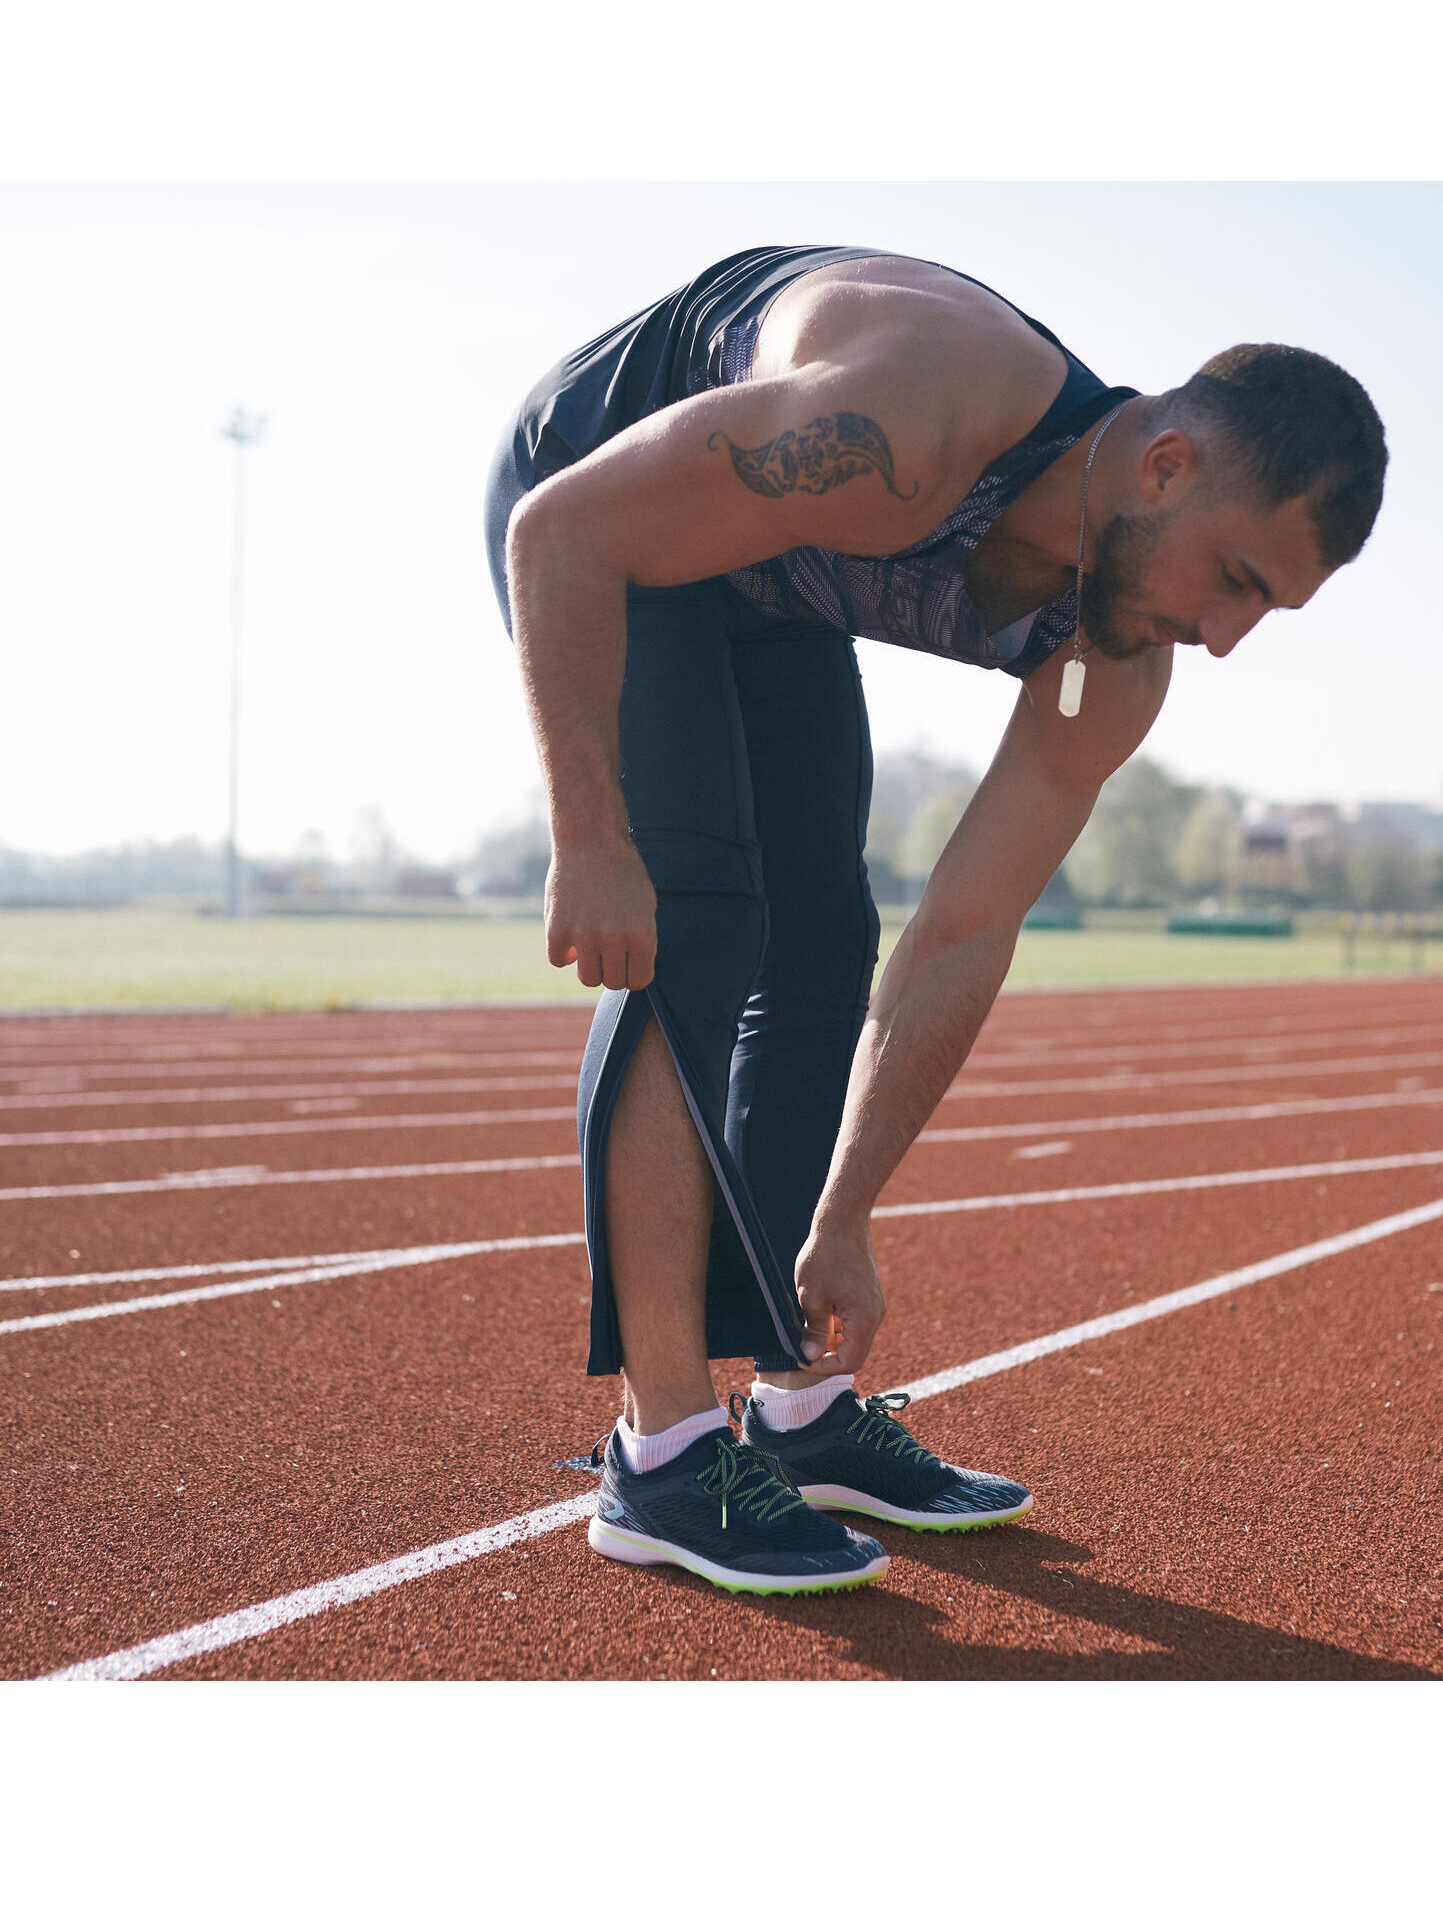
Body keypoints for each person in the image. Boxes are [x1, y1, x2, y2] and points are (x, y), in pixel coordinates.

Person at [483, 245, 1389, 1592]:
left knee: (827, 939)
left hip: (769, 583)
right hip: (607, 501)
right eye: (1240, 581)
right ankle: (661, 1455)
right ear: (1165, 467)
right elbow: (559, 530)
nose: (1224, 638)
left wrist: (844, 1209)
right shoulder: (903, 434)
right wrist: (592, 833)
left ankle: (794, 1411)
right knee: (702, 921)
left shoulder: (1114, 665)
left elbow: (964, 929)